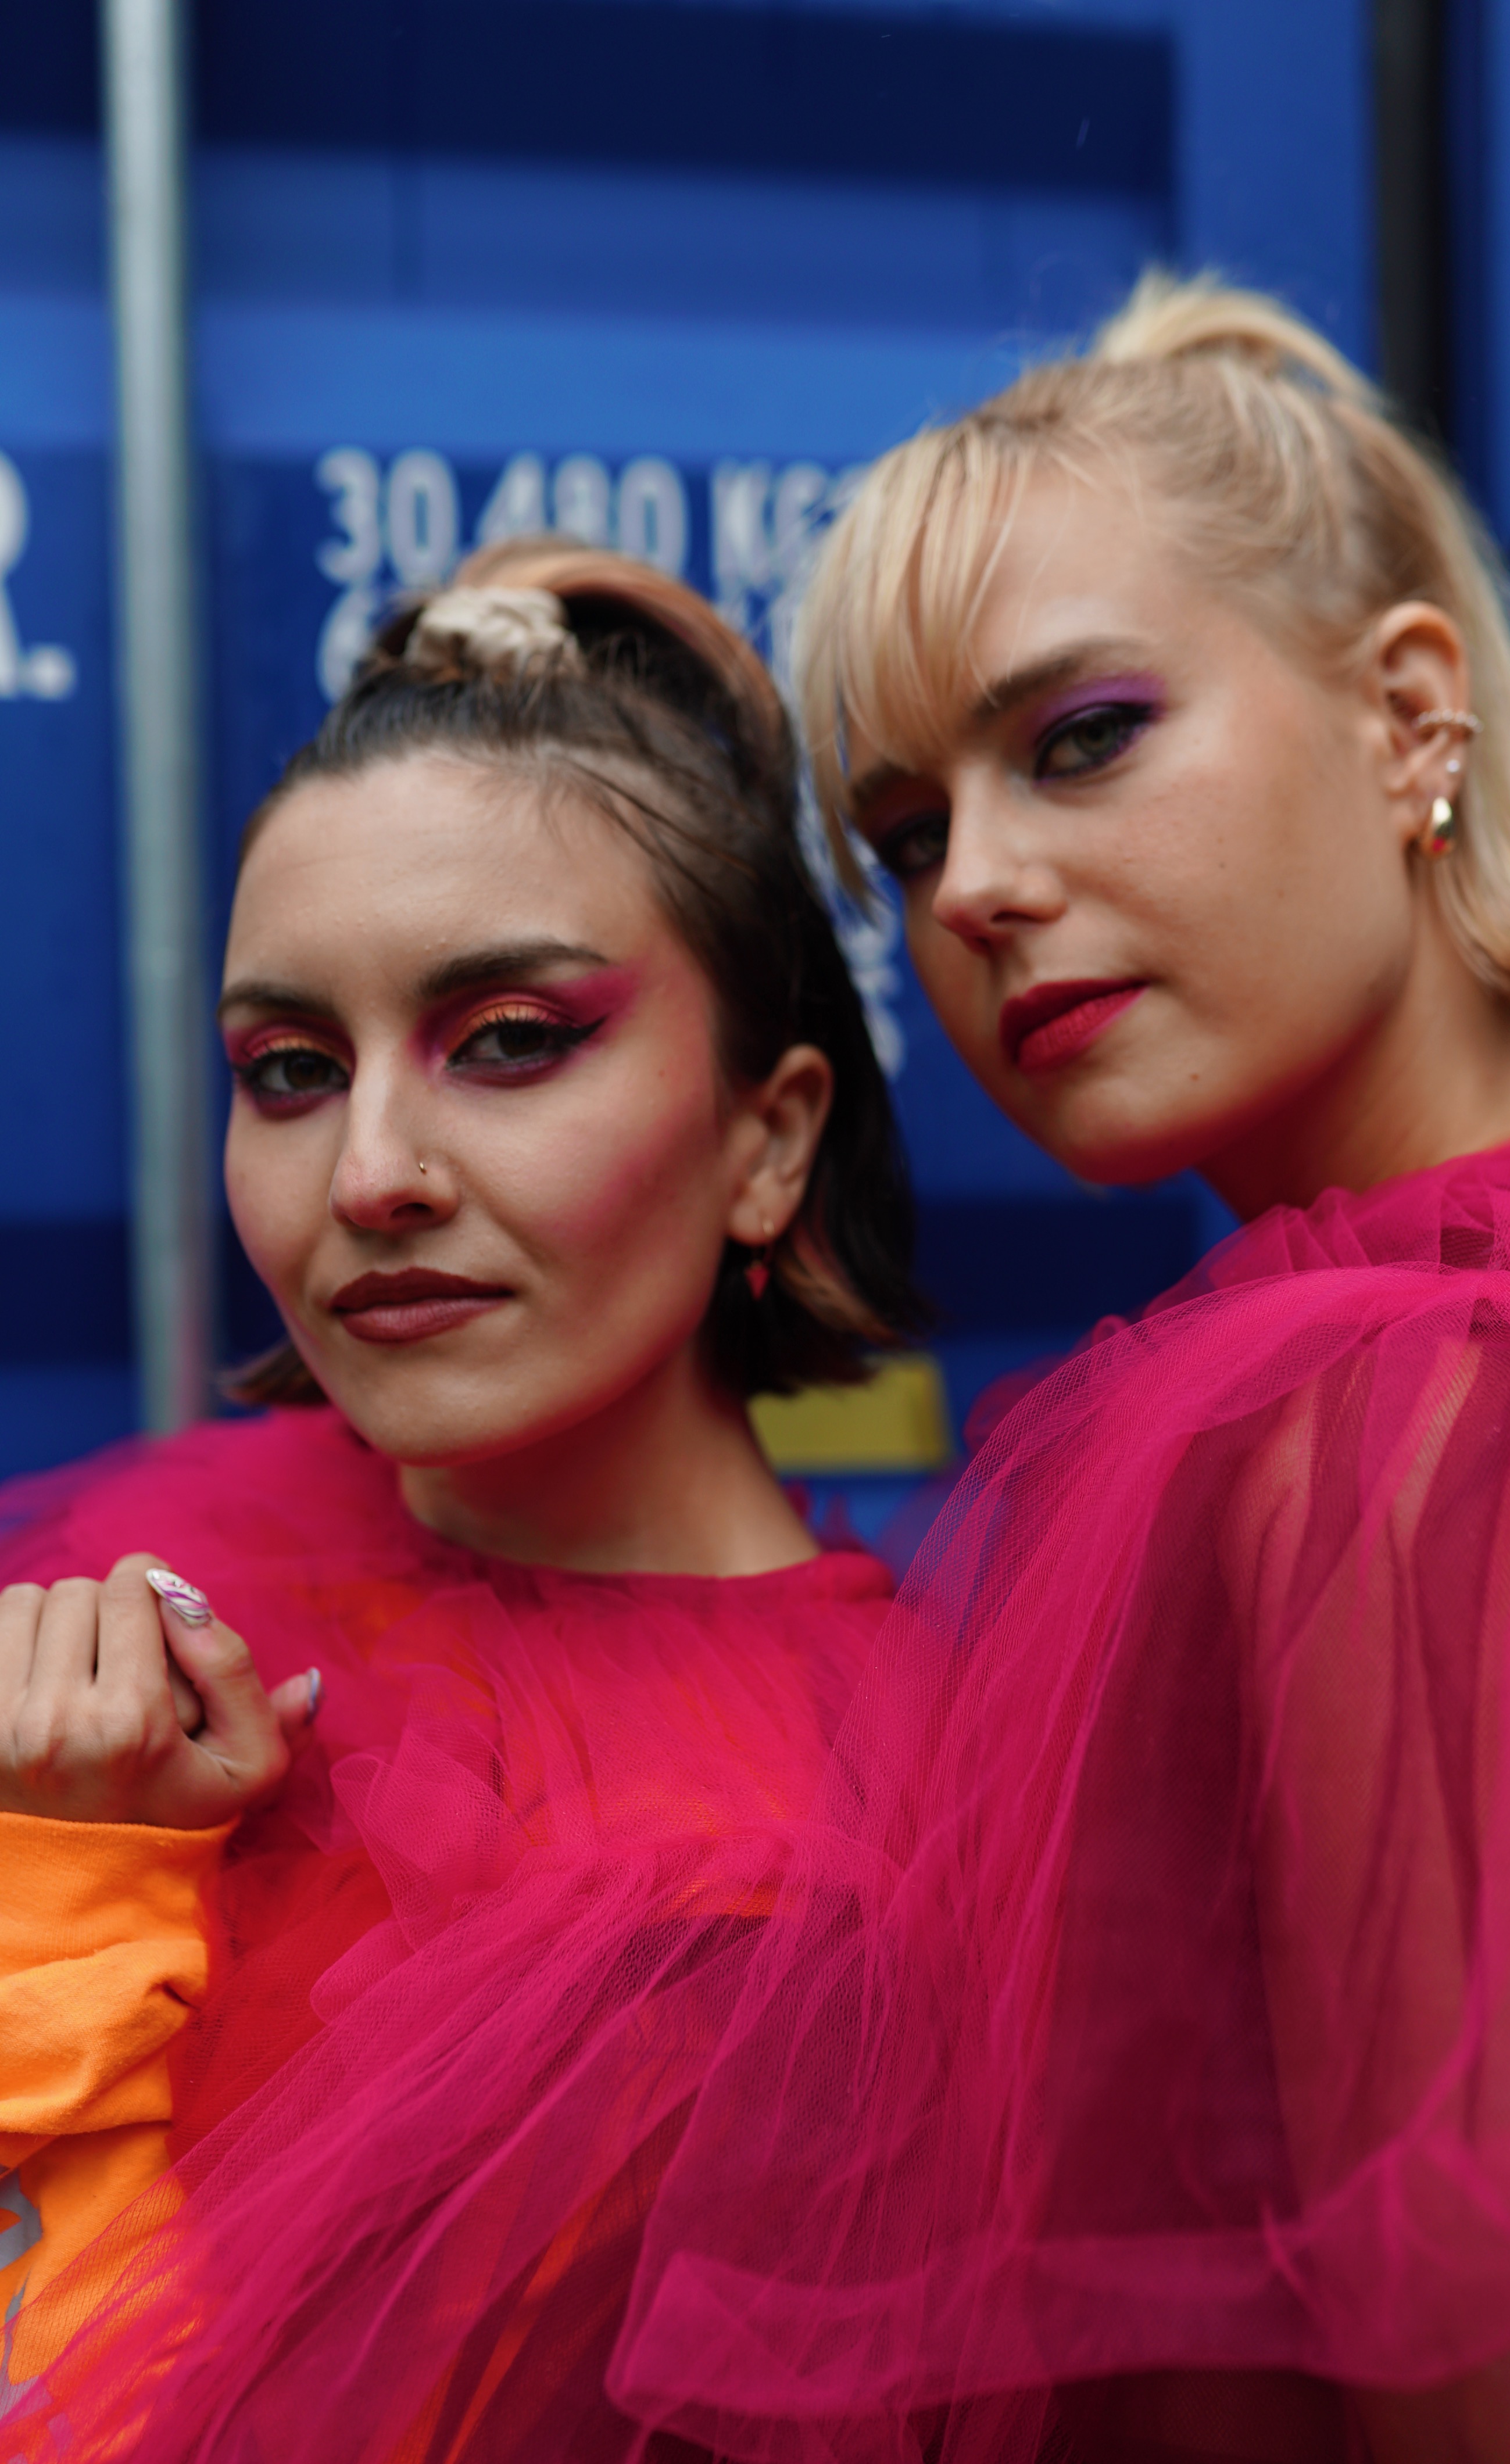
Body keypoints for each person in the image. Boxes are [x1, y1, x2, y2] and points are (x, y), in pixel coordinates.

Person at [610, 276, 1510, 2463]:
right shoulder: (1508, 1325)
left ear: (1410, 718)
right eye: (906, 837)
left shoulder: (1426, 1395)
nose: (976, 891)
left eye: (1081, 739)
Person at [0, 539, 918, 2459]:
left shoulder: (817, 1877)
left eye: (508, 1043)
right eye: (288, 1070)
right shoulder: (138, 1598)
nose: (371, 1174)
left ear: (769, 1141)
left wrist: (67, 1922)